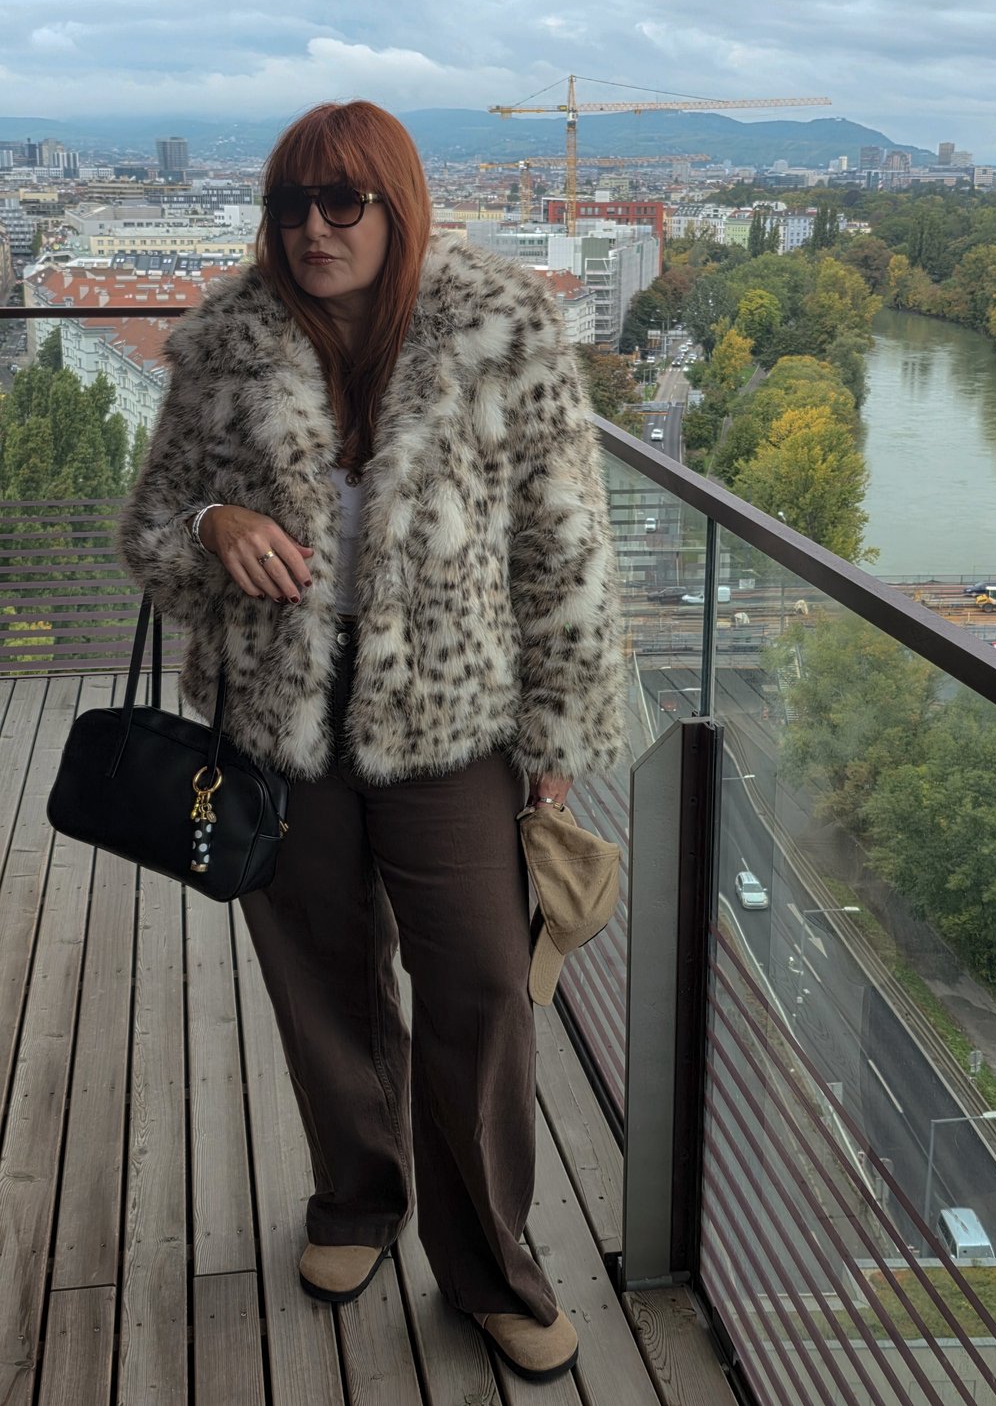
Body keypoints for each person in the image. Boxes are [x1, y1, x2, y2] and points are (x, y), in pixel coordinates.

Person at [118, 100, 624, 1384]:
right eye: (291, 203)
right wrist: (218, 520)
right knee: (322, 979)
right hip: (278, 723)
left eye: (344, 202)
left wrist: (555, 726)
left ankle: (491, 1261)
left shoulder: (500, 336)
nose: (311, 228)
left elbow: (564, 549)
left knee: (480, 991)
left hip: (452, 725)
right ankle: (358, 1195)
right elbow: (153, 528)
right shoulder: (228, 346)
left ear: (399, 208)